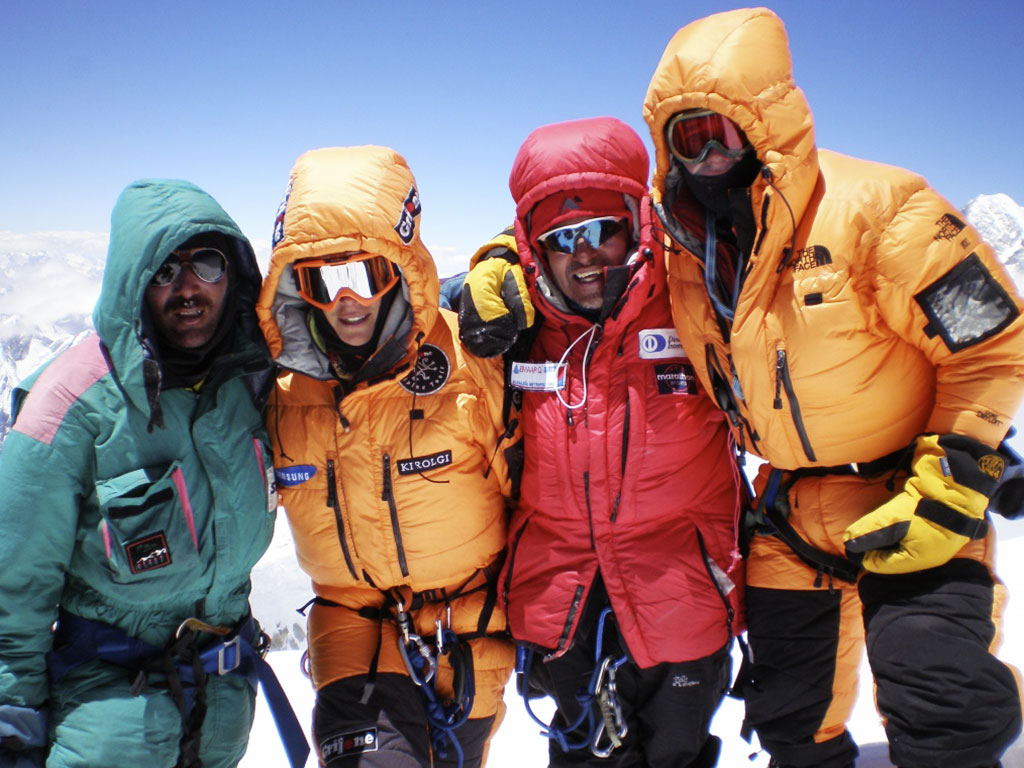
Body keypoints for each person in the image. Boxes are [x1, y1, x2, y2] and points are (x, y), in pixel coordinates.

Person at [641, 8, 1024, 768]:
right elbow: (583, 238)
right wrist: (493, 259)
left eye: (724, 131)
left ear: (769, 125)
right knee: (790, 722)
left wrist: (951, 482)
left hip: (909, 489)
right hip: (790, 512)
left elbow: (992, 344)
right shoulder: (684, 245)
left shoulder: (884, 212)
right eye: (687, 137)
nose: (709, 155)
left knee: (940, 696)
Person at [458, 116, 745, 768]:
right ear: (535, 247)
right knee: (582, 753)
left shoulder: (693, 295)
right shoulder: (511, 329)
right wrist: (493, 256)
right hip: (563, 602)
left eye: (600, 231)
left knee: (678, 753)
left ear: (635, 225)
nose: (584, 253)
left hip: (685, 592)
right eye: (561, 238)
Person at [0, 179, 280, 768]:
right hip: (108, 729)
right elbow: (13, 591)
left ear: (233, 275)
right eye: (161, 271)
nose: (186, 288)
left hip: (221, 721)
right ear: (132, 284)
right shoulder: (70, 408)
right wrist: (11, 729)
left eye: (206, 264)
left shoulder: (250, 385)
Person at [256, 146, 519, 768]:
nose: (346, 302)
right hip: (350, 628)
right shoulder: (279, 387)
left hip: (466, 633)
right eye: (323, 280)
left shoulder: (470, 364)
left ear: (400, 268)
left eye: (363, 275)